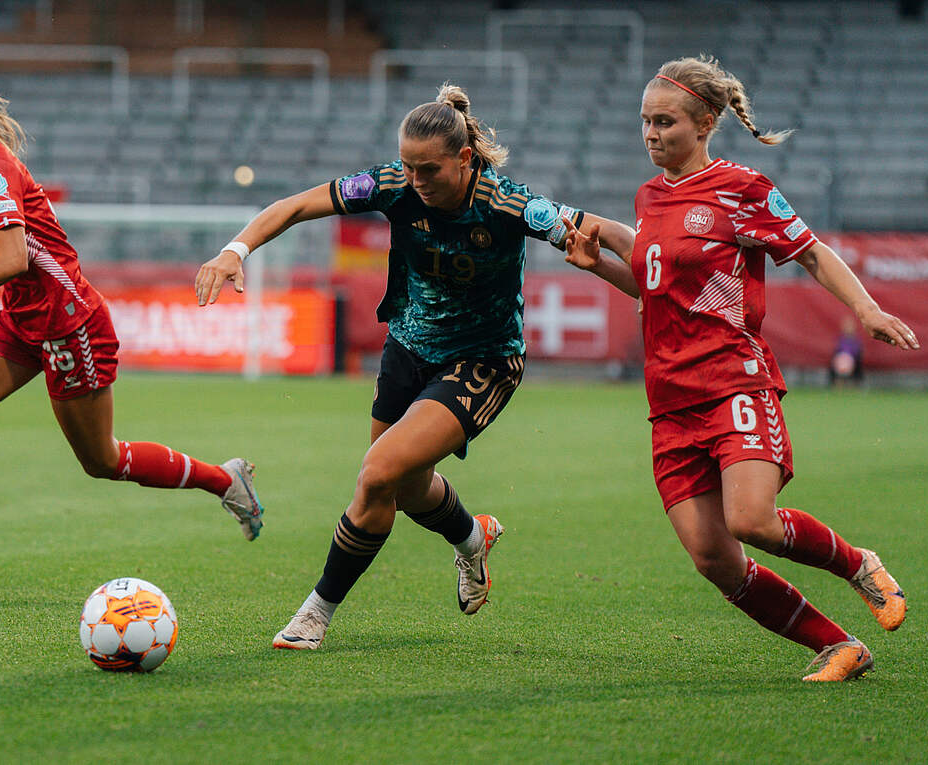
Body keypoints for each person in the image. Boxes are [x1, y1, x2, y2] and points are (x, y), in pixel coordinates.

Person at [195, 84, 635, 649]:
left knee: (377, 472)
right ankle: (472, 538)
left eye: (429, 169)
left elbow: (611, 235)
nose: (416, 180)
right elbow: (297, 205)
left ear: (465, 158)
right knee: (402, 489)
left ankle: (314, 614)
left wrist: (649, 278)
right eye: (408, 166)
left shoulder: (509, 204)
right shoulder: (391, 185)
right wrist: (235, 250)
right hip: (406, 349)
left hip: (483, 361)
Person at [561, 55, 920, 681]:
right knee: (713, 558)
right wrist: (600, 265)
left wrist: (866, 309)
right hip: (669, 399)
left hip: (733, 380)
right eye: (645, 121)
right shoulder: (648, 197)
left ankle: (858, 563)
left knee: (750, 520)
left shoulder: (741, 188)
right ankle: (839, 647)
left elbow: (811, 251)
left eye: (665, 122)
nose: (650, 134)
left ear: (704, 123)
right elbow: (656, 291)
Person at [0, 59, 264, 592]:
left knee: (102, 459)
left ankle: (224, 479)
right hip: (23, 318)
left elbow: (12, 256)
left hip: (70, 323)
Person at [828, 316, 864, 386]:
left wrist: (850, 359)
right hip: (841, 362)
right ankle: (837, 382)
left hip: (853, 362)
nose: (848, 329)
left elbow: (858, 352)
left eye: (850, 327)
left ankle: (855, 383)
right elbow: (837, 351)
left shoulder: (856, 341)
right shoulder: (841, 340)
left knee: (858, 364)